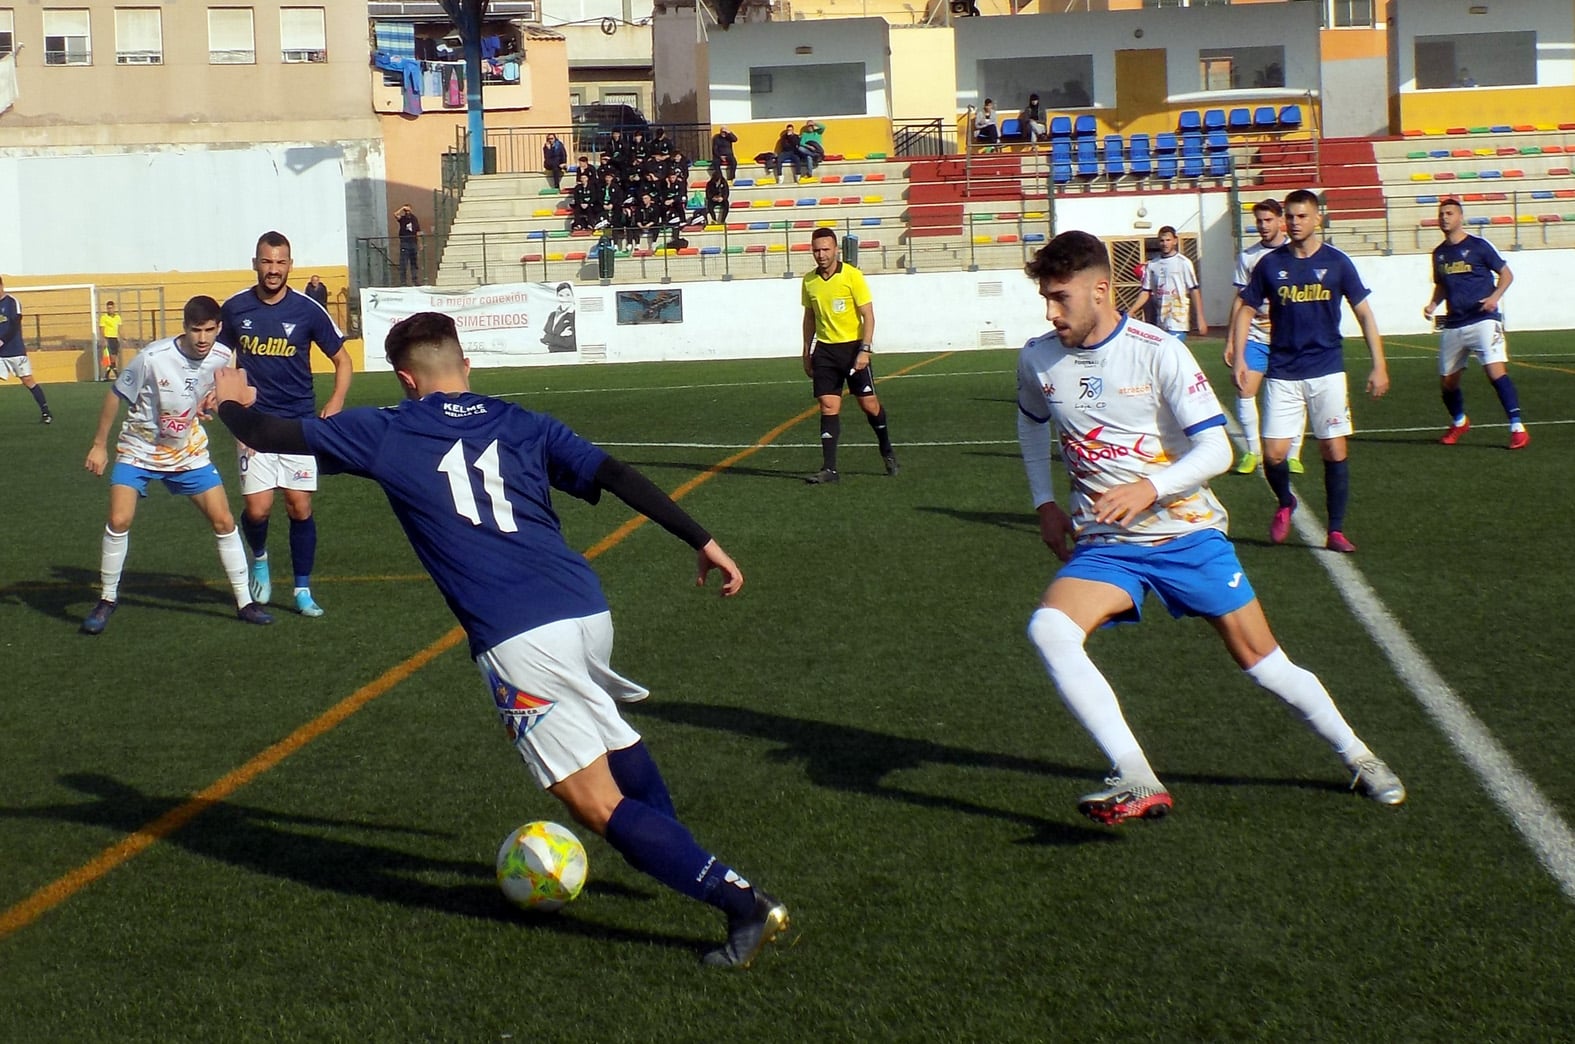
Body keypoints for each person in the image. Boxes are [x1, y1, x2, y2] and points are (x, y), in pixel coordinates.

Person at [211, 310, 789, 968]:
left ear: (406, 378)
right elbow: (615, 474)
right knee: (609, 734)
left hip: (518, 637)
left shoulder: (388, 428)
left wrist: (231, 405)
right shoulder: (523, 422)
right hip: (584, 609)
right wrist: (703, 541)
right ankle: (676, 855)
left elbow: (268, 433)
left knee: (595, 805)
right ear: (466, 365)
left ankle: (739, 901)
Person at [1015, 230, 1405, 825]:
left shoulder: (1157, 351)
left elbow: (1217, 451)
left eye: (1060, 297)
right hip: (1109, 545)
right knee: (1049, 629)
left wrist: (1149, 487)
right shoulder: (1038, 356)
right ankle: (1136, 774)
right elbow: (1031, 421)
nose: (1050, 311)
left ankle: (1357, 754)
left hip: (1187, 535)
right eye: (1045, 297)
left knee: (1264, 663)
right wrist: (1044, 502)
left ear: (1100, 290)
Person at [79, 295, 275, 635]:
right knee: (119, 519)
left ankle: (245, 602)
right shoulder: (152, 358)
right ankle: (107, 599)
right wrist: (99, 445)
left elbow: (240, 394)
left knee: (224, 520)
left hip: (188, 452)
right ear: (184, 328)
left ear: (219, 328)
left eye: (209, 330)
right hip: (139, 449)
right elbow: (116, 395)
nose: (202, 338)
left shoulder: (222, 355)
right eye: (195, 330)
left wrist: (215, 404)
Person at [1232, 189, 1388, 554]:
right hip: (1283, 371)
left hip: (1327, 369)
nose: (1295, 222)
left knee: (1334, 449)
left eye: (1302, 216)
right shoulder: (1270, 265)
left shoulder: (1337, 263)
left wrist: (1378, 364)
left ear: (1318, 218)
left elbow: (1364, 313)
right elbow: (1244, 309)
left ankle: (1335, 530)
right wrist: (1239, 356)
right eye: (1290, 216)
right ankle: (1285, 500)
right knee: (1273, 455)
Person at [219, 230, 353, 617]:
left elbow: (342, 359)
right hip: (253, 427)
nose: (273, 270)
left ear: (290, 265)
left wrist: (336, 400)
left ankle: (301, 590)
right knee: (258, 511)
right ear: (255, 264)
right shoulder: (235, 308)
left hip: (298, 425)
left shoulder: (309, 310)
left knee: (298, 507)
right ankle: (259, 556)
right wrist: (219, 394)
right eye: (267, 262)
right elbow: (220, 358)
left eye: (280, 263)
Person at [1423, 198, 1528, 449]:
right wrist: (1432, 304)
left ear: (1460, 217)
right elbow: (1441, 285)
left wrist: (1494, 298)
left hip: (1483, 319)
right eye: (1441, 214)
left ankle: (1517, 427)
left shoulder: (1479, 246)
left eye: (1449, 213)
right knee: (1448, 383)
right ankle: (1459, 421)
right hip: (1455, 323)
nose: (1444, 218)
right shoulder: (1439, 254)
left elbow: (1506, 274)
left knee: (1495, 372)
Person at [800, 227, 898, 484]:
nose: (820, 254)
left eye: (825, 249)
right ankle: (829, 469)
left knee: (869, 405)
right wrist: (805, 351)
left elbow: (868, 315)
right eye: (816, 250)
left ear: (836, 250)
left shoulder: (852, 276)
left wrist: (865, 349)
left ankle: (886, 448)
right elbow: (809, 317)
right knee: (828, 406)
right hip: (825, 351)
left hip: (853, 350)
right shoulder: (809, 281)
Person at [1224, 200, 1305, 475]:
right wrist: (1231, 341)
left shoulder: (1295, 253)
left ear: (1281, 220)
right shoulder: (1248, 257)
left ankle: (1294, 453)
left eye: (1268, 220)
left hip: (1288, 338)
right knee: (1245, 389)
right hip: (1256, 336)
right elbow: (1240, 301)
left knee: (1294, 395)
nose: (1263, 226)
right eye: (1259, 221)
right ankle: (1252, 451)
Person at [1128, 226, 1207, 342]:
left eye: (1168, 240)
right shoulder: (1153, 264)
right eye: (1162, 240)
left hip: (1178, 321)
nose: (1165, 243)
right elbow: (1146, 292)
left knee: (1171, 354)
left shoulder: (1183, 263)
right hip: (1160, 321)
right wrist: (1130, 312)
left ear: (1175, 241)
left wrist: (1200, 318)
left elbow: (1194, 290)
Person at [0, 276, 53, 423]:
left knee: (28, 380)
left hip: (15, 350)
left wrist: (2, 340)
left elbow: (15, 324)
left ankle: (45, 412)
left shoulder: (12, 302)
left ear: (2, 285)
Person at [541, 282, 577, 353]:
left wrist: (551, 338)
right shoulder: (552, 315)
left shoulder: (574, 315)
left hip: (568, 354)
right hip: (552, 354)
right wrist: (559, 337)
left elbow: (568, 342)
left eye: (567, 295)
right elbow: (545, 337)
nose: (565, 298)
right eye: (561, 295)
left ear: (572, 296)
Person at [395, 204, 422, 286]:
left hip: (413, 242)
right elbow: (395, 214)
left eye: (408, 210)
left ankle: (415, 280)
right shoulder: (402, 219)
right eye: (406, 211)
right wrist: (402, 208)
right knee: (403, 263)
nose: (407, 212)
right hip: (404, 243)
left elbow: (417, 231)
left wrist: (419, 243)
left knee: (414, 262)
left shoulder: (414, 219)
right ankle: (403, 281)